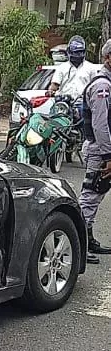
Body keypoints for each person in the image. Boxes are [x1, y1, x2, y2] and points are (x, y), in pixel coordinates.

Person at [78, 37, 111, 263]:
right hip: (100, 150)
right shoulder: (102, 86)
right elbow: (101, 125)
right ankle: (79, 243)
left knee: (96, 196)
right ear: (108, 58)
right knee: (91, 195)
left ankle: (87, 238)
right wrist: (109, 155)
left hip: (103, 149)